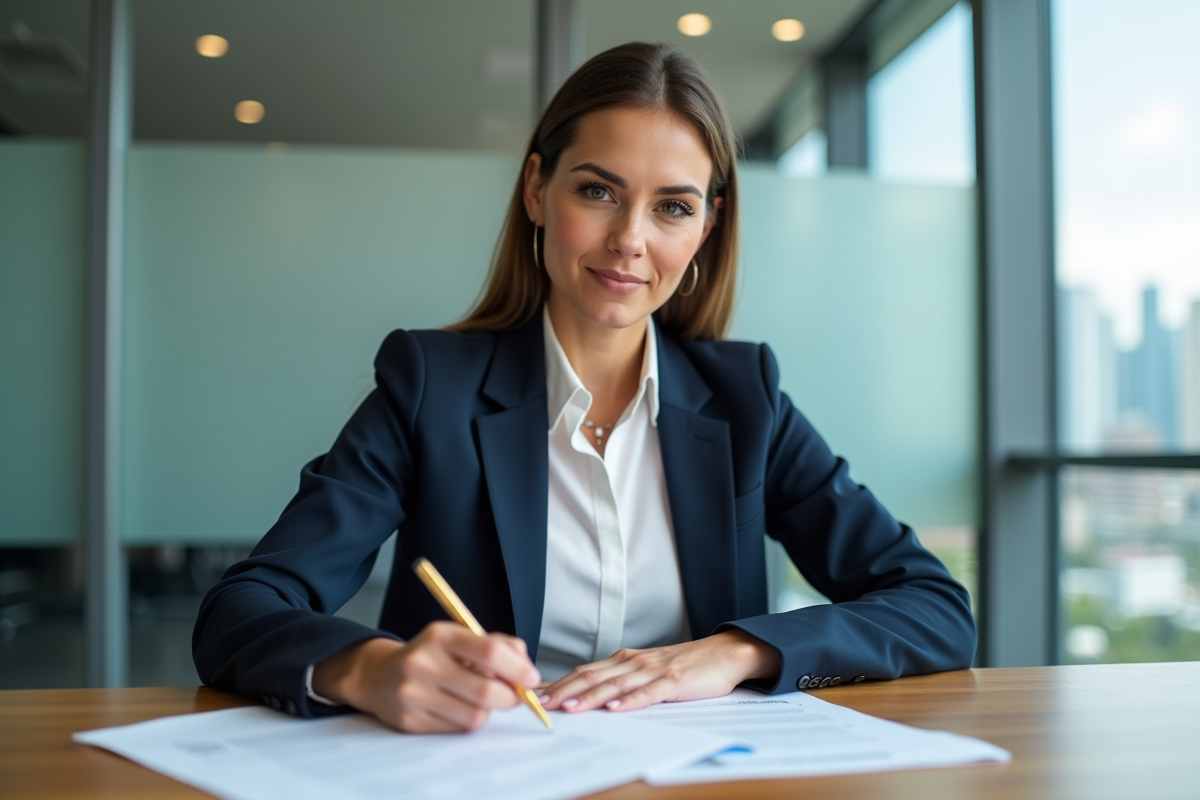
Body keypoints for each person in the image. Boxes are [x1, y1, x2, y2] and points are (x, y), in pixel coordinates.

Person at [193, 42, 975, 733]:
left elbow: (934, 607)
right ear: (538, 189)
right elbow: (243, 609)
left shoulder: (747, 400)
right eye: (597, 191)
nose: (630, 240)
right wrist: (368, 670)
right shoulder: (431, 386)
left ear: (705, 227)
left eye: (672, 207)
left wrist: (737, 652)